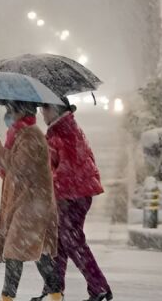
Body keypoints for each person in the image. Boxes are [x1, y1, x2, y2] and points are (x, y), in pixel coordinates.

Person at [32, 99, 113, 301]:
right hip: (71, 194)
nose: (42, 113)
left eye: (45, 109)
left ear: (55, 109)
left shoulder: (64, 132)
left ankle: (99, 287)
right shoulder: (60, 130)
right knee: (58, 243)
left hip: (73, 195)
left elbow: (68, 169)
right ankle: (54, 288)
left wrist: (50, 186)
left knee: (72, 242)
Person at [0, 101, 62, 301]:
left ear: (21, 112)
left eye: (10, 111)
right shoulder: (20, 135)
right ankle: (56, 294)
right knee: (40, 253)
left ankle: (7, 297)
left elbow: (20, 167)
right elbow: (15, 164)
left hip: (32, 204)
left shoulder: (30, 136)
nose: (8, 115)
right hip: (27, 202)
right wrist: (2, 155)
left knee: (15, 250)